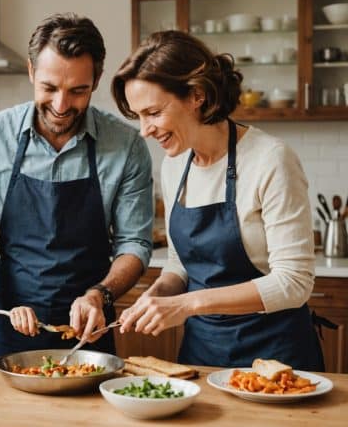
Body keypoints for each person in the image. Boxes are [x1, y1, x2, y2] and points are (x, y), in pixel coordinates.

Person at [112, 30, 323, 370]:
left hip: (277, 360)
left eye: (152, 112)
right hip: (202, 355)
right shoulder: (174, 164)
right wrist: (161, 293)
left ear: (196, 95)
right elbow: (181, 263)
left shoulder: (270, 159)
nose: (144, 130)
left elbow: (294, 282)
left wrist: (188, 304)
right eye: (138, 116)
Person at [0, 13, 153, 358]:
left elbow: (134, 243)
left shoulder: (126, 145)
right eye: (48, 87)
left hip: (89, 328)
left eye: (78, 91)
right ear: (31, 72)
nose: (61, 106)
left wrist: (99, 295)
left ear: (97, 79)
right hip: (10, 324)